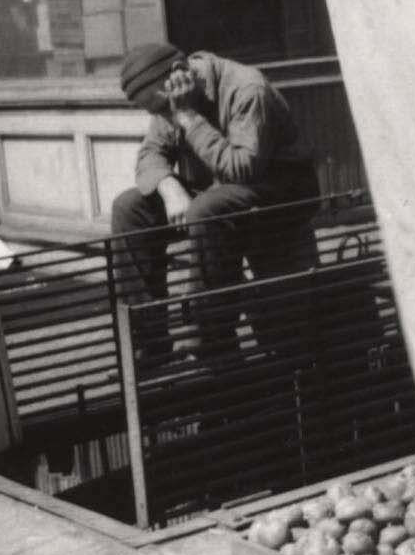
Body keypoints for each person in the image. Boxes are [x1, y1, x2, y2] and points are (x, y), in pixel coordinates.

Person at [110, 43, 321, 364]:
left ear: (179, 75)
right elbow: (150, 154)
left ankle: (212, 337)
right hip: (216, 192)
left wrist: (188, 118)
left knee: (207, 209)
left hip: (276, 191)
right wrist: (169, 187)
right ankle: (149, 343)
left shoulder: (247, 89)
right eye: (155, 112)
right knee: (128, 208)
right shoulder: (170, 97)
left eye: (160, 108)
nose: (161, 117)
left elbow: (242, 168)